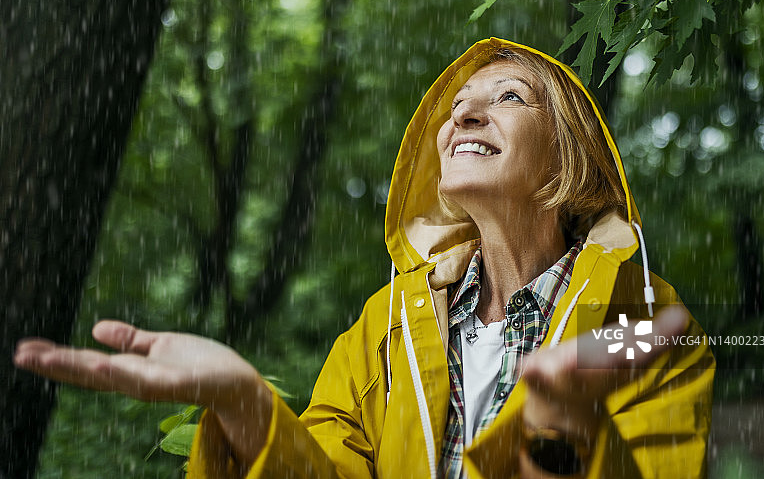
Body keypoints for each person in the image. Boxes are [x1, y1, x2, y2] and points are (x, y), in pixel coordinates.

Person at [14, 38, 715, 478]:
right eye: (458, 105)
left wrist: (567, 435)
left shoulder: (646, 327)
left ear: (570, 159)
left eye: (508, 97)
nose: (464, 115)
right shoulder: (382, 328)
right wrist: (246, 406)